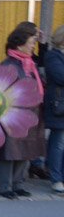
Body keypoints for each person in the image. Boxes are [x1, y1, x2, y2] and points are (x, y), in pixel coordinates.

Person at [0, 25, 46, 198]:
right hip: (13, 113)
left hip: (31, 112)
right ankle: (5, 186)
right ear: (19, 44)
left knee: (25, 148)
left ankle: (18, 184)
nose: (33, 46)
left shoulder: (29, 64)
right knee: (9, 150)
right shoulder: (8, 64)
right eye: (31, 42)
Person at [45, 26, 64, 194]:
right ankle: (56, 178)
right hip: (59, 106)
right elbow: (60, 76)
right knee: (58, 144)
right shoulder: (53, 56)